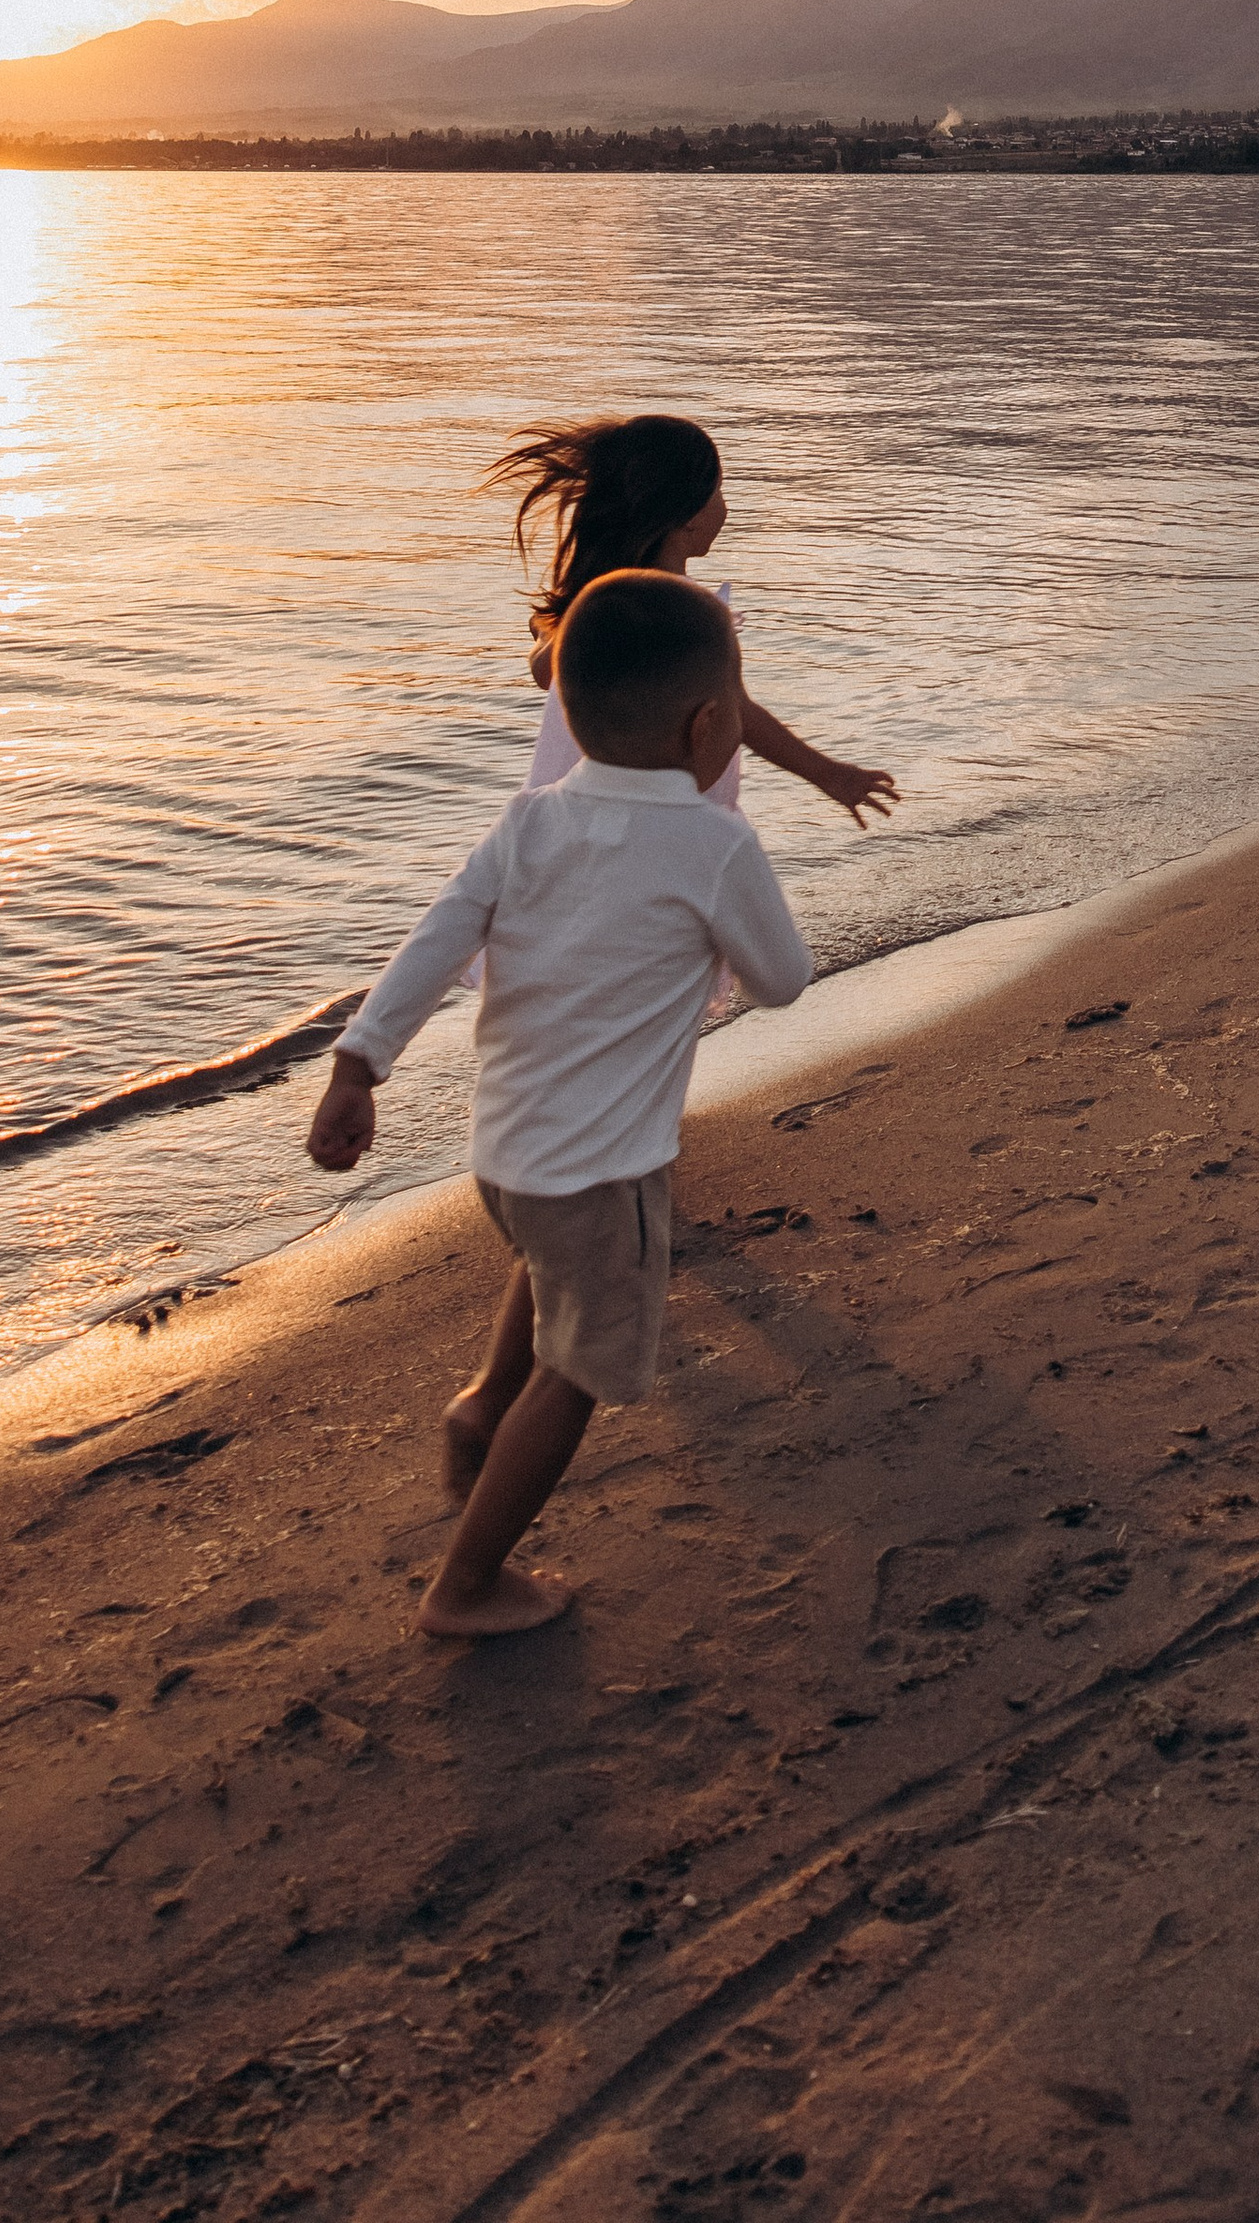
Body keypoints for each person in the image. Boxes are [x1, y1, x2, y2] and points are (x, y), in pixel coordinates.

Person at [305, 571, 813, 1637]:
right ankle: (467, 1584)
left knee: (548, 1269)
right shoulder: (715, 844)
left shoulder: (529, 820)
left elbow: (437, 941)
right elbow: (781, 980)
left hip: (505, 1158)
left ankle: (479, 1408)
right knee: (578, 1371)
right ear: (709, 725)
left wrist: (359, 1063)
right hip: (606, 1174)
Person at [489, 414, 898, 825]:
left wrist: (549, 627)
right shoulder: (690, 615)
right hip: (664, 821)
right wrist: (829, 774)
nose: (725, 505)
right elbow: (738, 709)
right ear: (686, 514)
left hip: (564, 817)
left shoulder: (601, 604)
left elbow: (545, 670)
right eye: (718, 491)